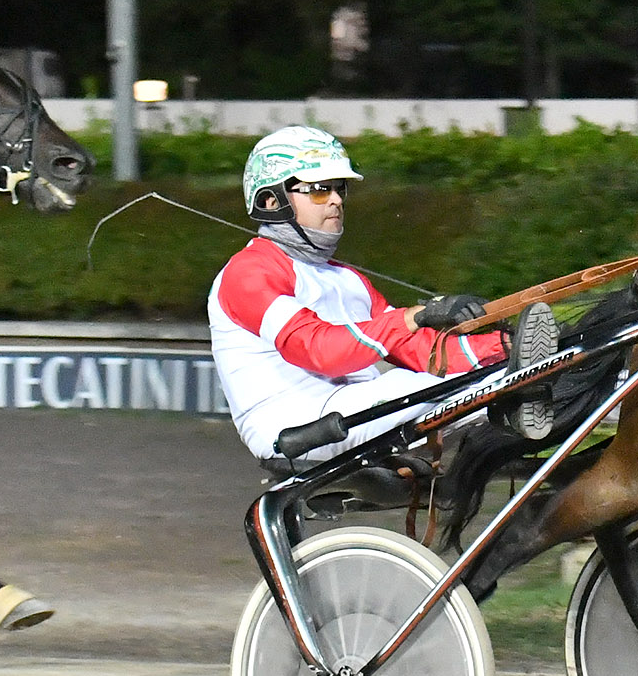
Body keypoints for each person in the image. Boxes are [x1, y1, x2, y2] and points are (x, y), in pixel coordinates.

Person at [208, 125, 505, 461]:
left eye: (339, 189)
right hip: (291, 427)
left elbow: (418, 348)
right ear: (271, 200)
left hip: (352, 408)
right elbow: (318, 350)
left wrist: (504, 347)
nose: (335, 199)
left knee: (492, 375)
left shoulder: (348, 278)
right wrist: (417, 315)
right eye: (319, 190)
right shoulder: (247, 273)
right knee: (411, 387)